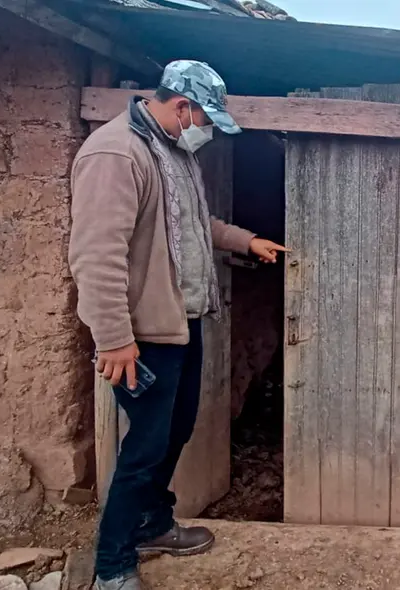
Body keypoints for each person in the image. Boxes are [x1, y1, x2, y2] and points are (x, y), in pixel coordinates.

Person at [69, 60, 288, 590]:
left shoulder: (170, 151)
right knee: (144, 447)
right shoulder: (116, 153)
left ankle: (153, 523)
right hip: (141, 336)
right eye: (201, 118)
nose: (203, 129)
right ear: (180, 106)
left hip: (180, 323)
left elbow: (194, 223)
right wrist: (115, 340)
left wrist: (243, 240)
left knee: (174, 431)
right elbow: (96, 257)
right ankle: (113, 566)